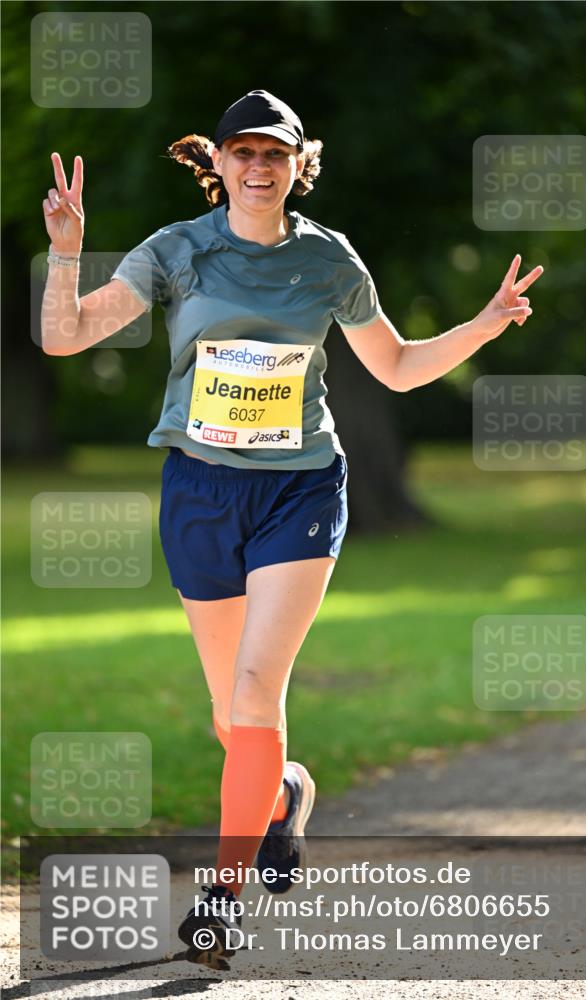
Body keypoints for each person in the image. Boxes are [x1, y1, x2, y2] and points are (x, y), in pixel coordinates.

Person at [41, 89, 543, 969]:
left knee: (254, 694)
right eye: (243, 153)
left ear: (296, 165)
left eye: (276, 154)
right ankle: (280, 794)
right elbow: (66, 337)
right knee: (228, 719)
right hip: (199, 490)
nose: (259, 167)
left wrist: (483, 322)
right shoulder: (177, 250)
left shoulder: (327, 260)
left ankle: (222, 900)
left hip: (299, 488)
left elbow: (392, 367)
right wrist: (67, 254)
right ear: (220, 166)